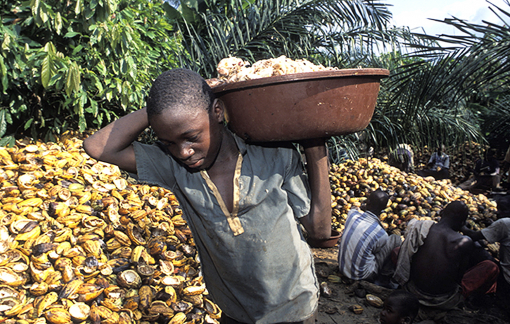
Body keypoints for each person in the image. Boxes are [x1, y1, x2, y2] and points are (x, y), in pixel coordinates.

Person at [83, 69, 333, 323]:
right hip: (236, 313)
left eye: (191, 137)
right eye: (169, 142)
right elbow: (97, 146)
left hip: (294, 309)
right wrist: (158, 110)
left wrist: (315, 148)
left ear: (217, 112)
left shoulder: (273, 154)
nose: (183, 152)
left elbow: (320, 230)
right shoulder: (173, 168)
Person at [394, 201, 499, 310]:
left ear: (442, 212)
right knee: (491, 267)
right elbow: (458, 278)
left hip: (412, 289)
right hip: (442, 299)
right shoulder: (464, 241)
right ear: (462, 222)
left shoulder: (422, 227)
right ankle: (474, 303)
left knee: (397, 251)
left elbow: (408, 257)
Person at [338, 190, 402, 284]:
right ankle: (384, 277)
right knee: (395, 239)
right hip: (362, 275)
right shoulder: (381, 233)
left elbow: (356, 209)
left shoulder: (352, 214)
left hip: (342, 268)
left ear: (367, 202)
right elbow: (377, 252)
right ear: (384, 208)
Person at [461, 195, 510, 295]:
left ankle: (461, 289)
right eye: (498, 209)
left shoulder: (505, 223)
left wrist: (460, 224)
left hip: (506, 280)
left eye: (503, 210)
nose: (497, 212)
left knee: (472, 245)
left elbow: (473, 236)